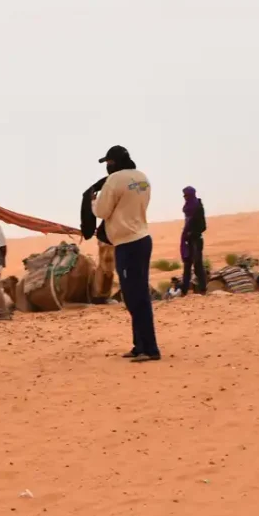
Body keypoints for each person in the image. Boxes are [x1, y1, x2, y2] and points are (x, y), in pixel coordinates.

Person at [92, 145, 161, 362]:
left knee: (135, 297)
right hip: (142, 238)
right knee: (136, 294)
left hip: (127, 244)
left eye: (108, 163)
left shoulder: (114, 180)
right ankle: (139, 344)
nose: (107, 167)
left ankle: (149, 349)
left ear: (113, 163)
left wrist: (93, 199)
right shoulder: (142, 178)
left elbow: (102, 211)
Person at [180, 186, 207, 296]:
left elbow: (203, 226)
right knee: (187, 266)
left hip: (196, 240)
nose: (184, 197)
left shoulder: (198, 208)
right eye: (184, 195)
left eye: (186, 195)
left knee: (197, 265)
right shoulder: (187, 208)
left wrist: (192, 233)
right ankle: (184, 291)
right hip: (188, 241)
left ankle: (203, 289)